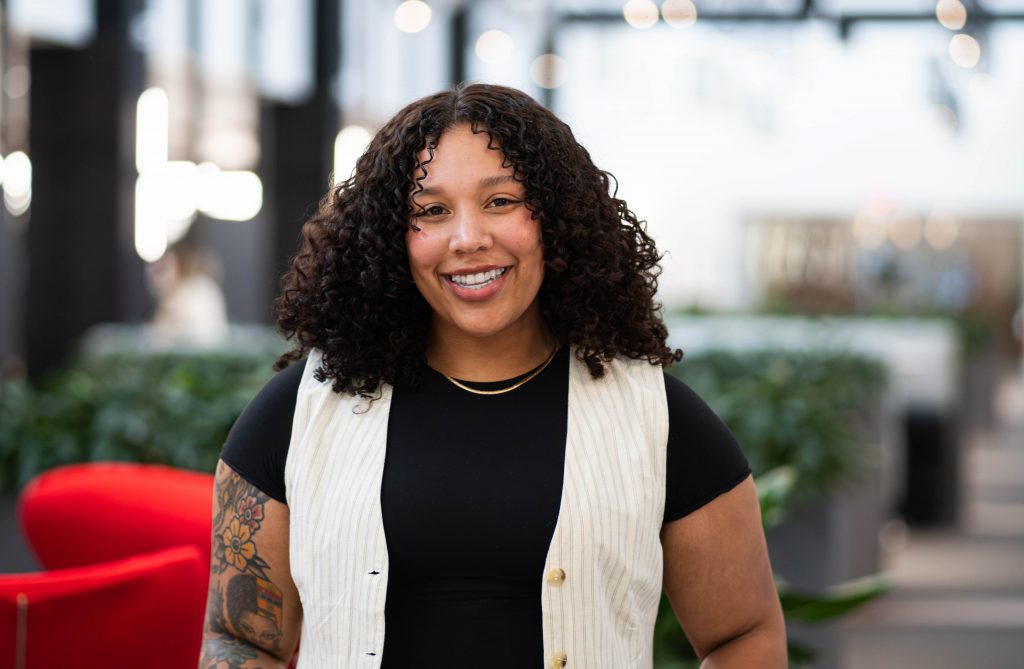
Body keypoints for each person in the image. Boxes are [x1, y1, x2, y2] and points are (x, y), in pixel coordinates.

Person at [199, 83, 786, 668]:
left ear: (557, 220)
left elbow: (744, 634)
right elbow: (238, 637)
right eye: (430, 211)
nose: (467, 239)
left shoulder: (658, 419)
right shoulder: (298, 413)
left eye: (500, 201)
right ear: (389, 240)